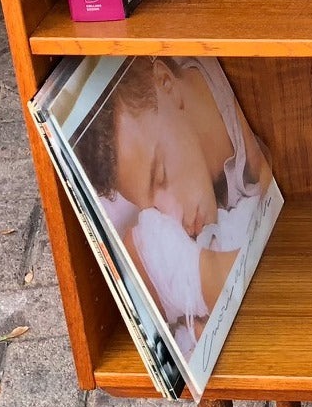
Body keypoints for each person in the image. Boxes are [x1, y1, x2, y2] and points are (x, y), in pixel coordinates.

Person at [72, 56, 271, 353]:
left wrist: (200, 276)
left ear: (166, 84)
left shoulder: (260, 103)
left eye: (161, 175)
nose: (174, 217)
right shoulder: (186, 205)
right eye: (152, 207)